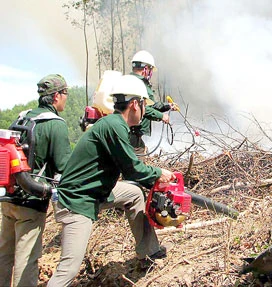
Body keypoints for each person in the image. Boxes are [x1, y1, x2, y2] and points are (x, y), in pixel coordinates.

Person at [47, 74, 176, 287]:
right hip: (76, 202)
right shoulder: (114, 126)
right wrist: (159, 173)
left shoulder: (114, 124)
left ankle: (149, 252)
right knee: (68, 270)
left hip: (94, 192)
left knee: (134, 194)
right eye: (144, 105)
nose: (144, 111)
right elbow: (132, 168)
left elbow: (132, 170)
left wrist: (154, 176)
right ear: (135, 104)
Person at [0, 74, 72, 287]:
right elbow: (64, 166)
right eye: (65, 94)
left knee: (4, 254)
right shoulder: (56, 124)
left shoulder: (22, 118)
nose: (66, 98)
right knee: (26, 259)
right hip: (31, 203)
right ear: (57, 96)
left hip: (8, 197)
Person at [130, 50, 177, 155]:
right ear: (146, 69)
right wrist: (161, 116)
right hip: (131, 135)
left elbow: (150, 104)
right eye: (151, 70)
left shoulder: (132, 82)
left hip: (132, 134)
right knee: (137, 165)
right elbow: (142, 108)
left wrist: (167, 106)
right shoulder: (138, 84)